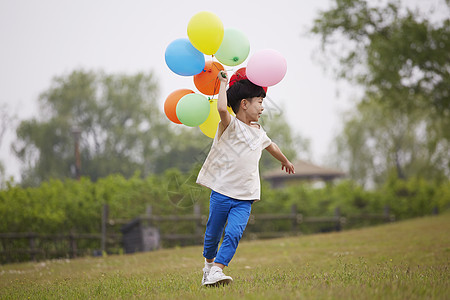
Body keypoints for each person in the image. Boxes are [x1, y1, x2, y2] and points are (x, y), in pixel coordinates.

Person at [196, 70, 295, 286]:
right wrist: (223, 83)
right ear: (244, 104)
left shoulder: (259, 133)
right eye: (259, 102)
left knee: (233, 234)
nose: (262, 107)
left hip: (245, 197)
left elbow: (272, 146)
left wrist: (285, 160)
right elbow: (222, 108)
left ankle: (218, 270)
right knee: (213, 233)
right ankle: (208, 267)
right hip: (222, 191)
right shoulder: (230, 125)